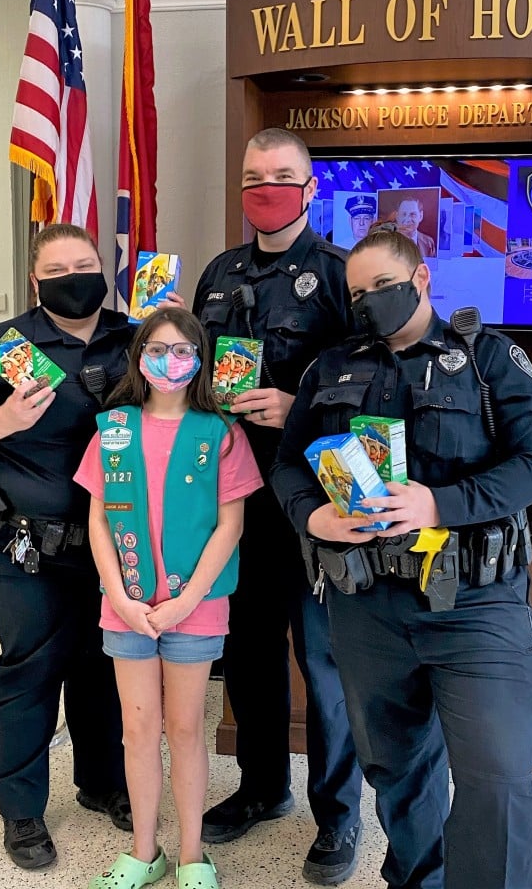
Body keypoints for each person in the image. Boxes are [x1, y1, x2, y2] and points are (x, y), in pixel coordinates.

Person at [271, 227, 532, 889]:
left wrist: (439, 504)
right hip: (368, 603)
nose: (369, 302)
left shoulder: (488, 359)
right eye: (358, 293)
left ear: (421, 279)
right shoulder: (331, 366)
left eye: (384, 287)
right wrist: (312, 516)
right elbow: (289, 465)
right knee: (395, 767)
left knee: (496, 774)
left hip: (475, 603)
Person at [0, 223, 133, 870]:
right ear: (35, 280)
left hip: (115, 546)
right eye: (59, 266)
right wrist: (3, 419)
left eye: (87, 262)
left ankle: (102, 784)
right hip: (24, 548)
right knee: (32, 669)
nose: (75, 275)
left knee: (103, 668)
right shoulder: (3, 347)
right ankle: (22, 813)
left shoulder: (136, 339)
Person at [190, 128, 363, 886]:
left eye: (283, 176)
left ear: (311, 186)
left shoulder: (337, 276)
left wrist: (297, 406)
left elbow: (375, 390)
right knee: (251, 656)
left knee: (323, 663)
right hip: (236, 500)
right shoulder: (219, 273)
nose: (267, 188)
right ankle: (262, 788)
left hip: (316, 501)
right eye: (255, 176)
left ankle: (339, 817)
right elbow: (189, 370)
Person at [74, 308, 263, 889]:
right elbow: (99, 521)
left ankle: (190, 853)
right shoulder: (114, 427)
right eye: (158, 349)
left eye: (183, 350)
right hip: (126, 606)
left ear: (202, 360)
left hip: (196, 608)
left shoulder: (222, 432)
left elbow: (230, 526)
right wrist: (119, 595)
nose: (170, 361)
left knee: (184, 729)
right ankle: (143, 849)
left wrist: (184, 604)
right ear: (138, 357)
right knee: (137, 728)